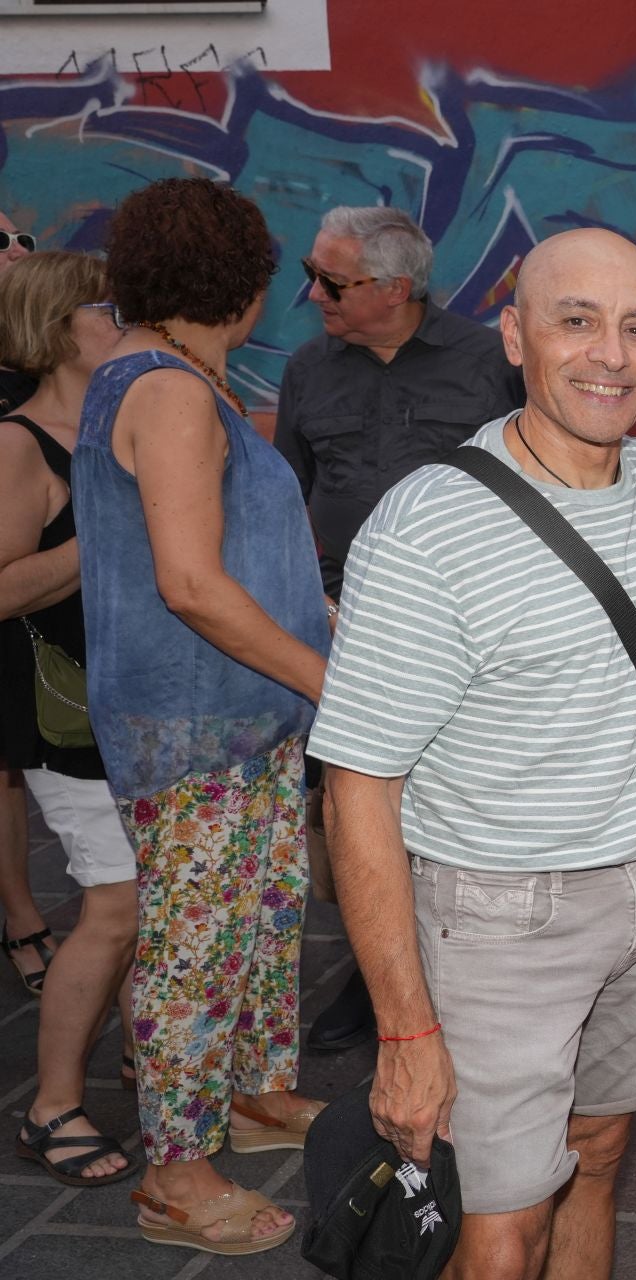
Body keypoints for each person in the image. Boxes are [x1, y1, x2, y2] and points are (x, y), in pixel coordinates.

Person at [314, 228, 636, 1280]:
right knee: (501, 1222)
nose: (610, 355)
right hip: (500, 916)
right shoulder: (427, 527)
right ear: (514, 335)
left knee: (602, 1150)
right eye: (576, 321)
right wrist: (403, 1029)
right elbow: (357, 785)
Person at [72, 177, 333, 1255]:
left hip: (239, 712)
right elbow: (189, 580)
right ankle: (175, 1167)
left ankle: (256, 1091)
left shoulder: (174, 378)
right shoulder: (170, 393)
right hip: (193, 721)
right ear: (240, 283)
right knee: (195, 943)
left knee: (261, 920)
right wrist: (331, 676)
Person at [274, 204, 522, 1054]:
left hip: (470, 625)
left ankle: (464, 968)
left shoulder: (491, 363)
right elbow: (295, 494)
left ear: (396, 287)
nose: (311, 295)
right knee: (354, 800)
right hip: (346, 626)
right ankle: (372, 971)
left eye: (331, 281)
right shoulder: (309, 369)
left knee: (453, 801)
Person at [0, 251, 139, 1188]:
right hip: (68, 721)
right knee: (116, 907)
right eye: (109, 307)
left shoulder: (117, 421)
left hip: (133, 708)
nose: (126, 320)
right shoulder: (18, 443)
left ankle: (146, 1058)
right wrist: (107, 534)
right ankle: (52, 1106)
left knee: (148, 902)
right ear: (57, 327)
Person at [0, 203, 54, 997]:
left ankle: (18, 911)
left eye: (22, 239)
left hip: (27, 596)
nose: (14, 249)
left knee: (5, 758)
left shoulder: (27, 364)